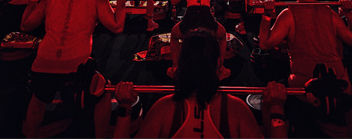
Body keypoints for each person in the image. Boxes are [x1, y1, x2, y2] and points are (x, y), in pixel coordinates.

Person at [20, 0, 126, 139]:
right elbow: (117, 27)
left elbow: (25, 25)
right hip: (76, 65)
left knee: (38, 100)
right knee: (103, 93)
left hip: (45, 60)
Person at [112, 30, 286, 139]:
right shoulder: (236, 109)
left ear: (180, 64)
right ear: (218, 64)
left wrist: (125, 108)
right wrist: (276, 108)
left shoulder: (163, 109)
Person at [259, 0, 352, 137]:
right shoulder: (330, 13)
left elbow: (265, 44)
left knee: (269, 98)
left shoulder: (288, 14)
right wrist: (348, 15)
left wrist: (266, 15)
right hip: (338, 83)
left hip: (305, 87)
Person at [168, 0, 231, 80]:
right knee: (222, 36)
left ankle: (175, 68)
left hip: (190, 16)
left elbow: (174, 0)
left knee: (174, 36)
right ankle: (220, 69)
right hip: (205, 16)